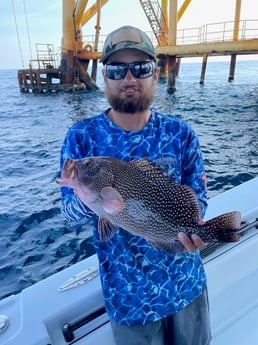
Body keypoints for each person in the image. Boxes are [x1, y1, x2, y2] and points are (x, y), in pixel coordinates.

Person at [59, 25, 211, 345]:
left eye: (140, 68)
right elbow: (69, 211)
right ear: (104, 76)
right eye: (117, 69)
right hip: (128, 301)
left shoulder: (180, 133)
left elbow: (198, 196)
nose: (129, 78)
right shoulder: (81, 138)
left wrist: (197, 230)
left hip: (186, 284)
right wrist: (90, 197)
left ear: (155, 74)